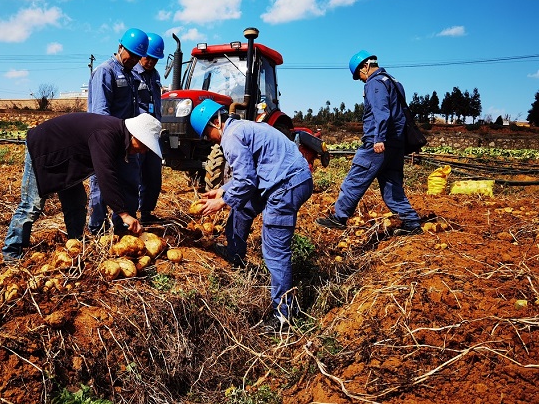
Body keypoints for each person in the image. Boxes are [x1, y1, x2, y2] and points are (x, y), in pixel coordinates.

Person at [190, 99, 313, 331]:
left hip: (285, 185)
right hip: (284, 179)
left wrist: (221, 202)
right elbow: (249, 174)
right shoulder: (244, 128)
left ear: (215, 123)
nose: (209, 140)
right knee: (243, 207)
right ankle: (234, 254)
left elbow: (246, 181)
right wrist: (223, 190)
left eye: (207, 135)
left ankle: (283, 316)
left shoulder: (231, 137)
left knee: (274, 250)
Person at [2, 112, 162, 262]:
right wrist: (124, 213)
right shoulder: (107, 134)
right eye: (143, 144)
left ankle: (76, 243)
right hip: (43, 149)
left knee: (76, 202)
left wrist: (124, 209)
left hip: (65, 159)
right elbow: (106, 175)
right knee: (31, 206)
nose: (143, 150)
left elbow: (115, 177)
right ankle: (11, 252)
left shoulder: (119, 137)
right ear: (135, 135)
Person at [316, 50, 421, 235]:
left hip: (378, 143)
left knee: (354, 179)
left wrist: (379, 138)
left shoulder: (375, 83)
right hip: (396, 143)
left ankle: (339, 217)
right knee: (392, 186)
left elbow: (382, 112)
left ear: (365, 66)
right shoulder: (394, 81)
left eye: (360, 75)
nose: (362, 79)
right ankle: (411, 222)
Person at [87, 28, 148, 234]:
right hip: (108, 140)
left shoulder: (132, 76)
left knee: (130, 183)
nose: (134, 60)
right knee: (103, 185)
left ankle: (124, 230)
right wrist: (110, 141)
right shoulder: (106, 71)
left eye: (138, 57)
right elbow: (100, 112)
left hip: (128, 142)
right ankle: (97, 231)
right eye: (131, 55)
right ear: (120, 47)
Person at [133, 32, 165, 225]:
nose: (151, 62)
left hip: (153, 132)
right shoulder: (133, 73)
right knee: (133, 175)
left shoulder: (156, 75)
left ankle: (146, 212)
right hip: (137, 132)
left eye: (155, 59)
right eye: (149, 57)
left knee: (153, 175)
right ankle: (129, 215)